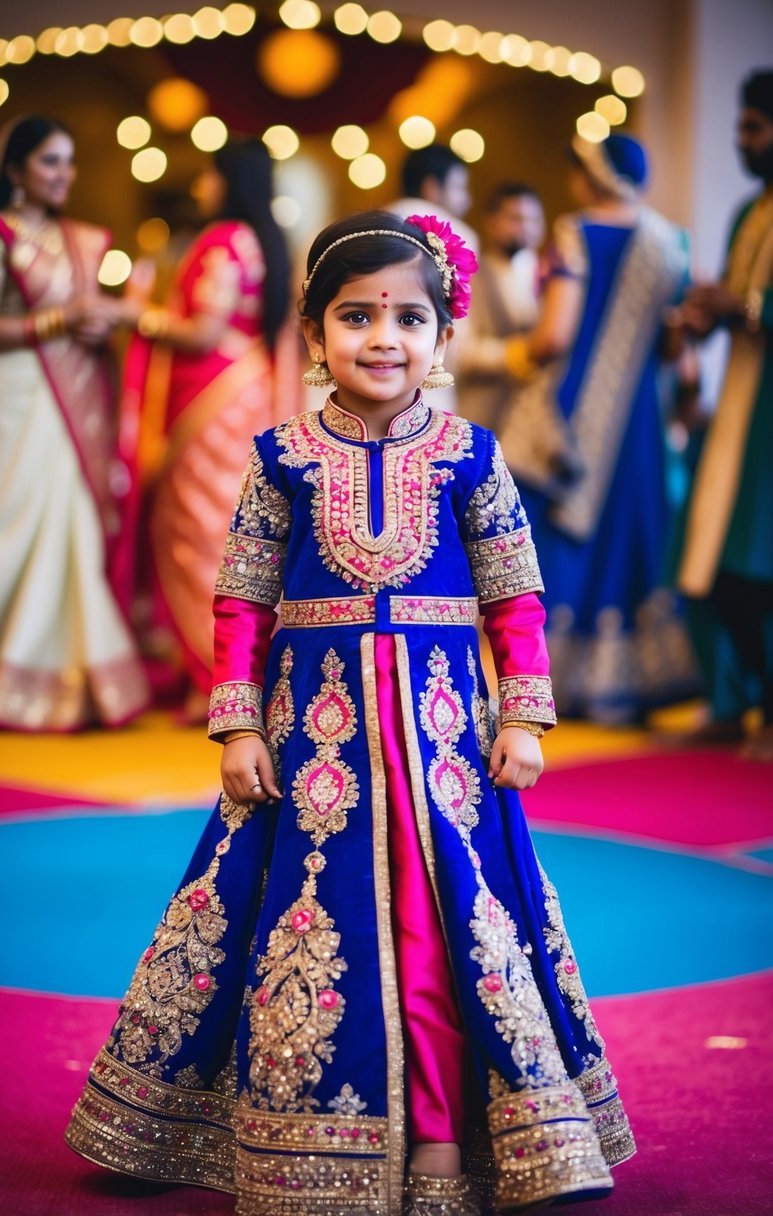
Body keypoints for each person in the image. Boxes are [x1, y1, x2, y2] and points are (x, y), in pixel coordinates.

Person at [66, 210, 634, 1214]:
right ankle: (256, 1133)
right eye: (357, 315)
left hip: (446, 759)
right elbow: (240, 596)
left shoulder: (469, 454)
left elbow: (515, 597)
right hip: (312, 752)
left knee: (443, 931)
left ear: (442, 336)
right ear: (315, 332)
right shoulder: (281, 455)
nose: (384, 337)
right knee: (273, 919)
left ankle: (444, 1141)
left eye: (409, 318)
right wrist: (239, 722)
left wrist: (523, 717)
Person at [0, 116, 149, 730]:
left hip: (73, 394)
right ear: (14, 170)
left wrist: (93, 324)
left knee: (71, 524)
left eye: (69, 161)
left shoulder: (78, 240)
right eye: (49, 162)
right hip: (13, 394)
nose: (64, 174)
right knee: (4, 525)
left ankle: (71, 681)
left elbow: (84, 316)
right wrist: (60, 322)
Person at [490, 133, 699, 723]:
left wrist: (508, 357)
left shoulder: (574, 233)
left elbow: (555, 334)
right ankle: (629, 688)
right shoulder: (670, 243)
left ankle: (560, 688)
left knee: (562, 536)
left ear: (595, 177)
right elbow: (677, 350)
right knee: (630, 534)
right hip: (640, 421)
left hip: (575, 413)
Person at [118, 136, 297, 721]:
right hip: (250, 391)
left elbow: (201, 330)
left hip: (211, 400)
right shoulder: (270, 241)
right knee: (233, 534)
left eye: (208, 175)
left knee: (199, 537)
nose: (201, 186)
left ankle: (216, 679)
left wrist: (134, 314)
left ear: (229, 180)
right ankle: (234, 675)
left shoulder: (224, 241)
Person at [676, 69, 773, 760]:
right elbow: (738, 307)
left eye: (752, 127)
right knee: (710, 558)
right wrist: (702, 314)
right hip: (738, 406)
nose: (742, 141)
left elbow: (753, 308)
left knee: (756, 560)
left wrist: (738, 310)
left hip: (764, 416)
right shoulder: (749, 212)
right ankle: (735, 700)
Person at [388, 144, 479, 412]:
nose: (467, 200)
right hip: (429, 380)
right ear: (431, 186)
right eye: (460, 188)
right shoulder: (455, 234)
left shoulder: (373, 223)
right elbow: (458, 333)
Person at [457, 182, 545, 433]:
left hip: (536, 420)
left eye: (534, 219)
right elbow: (463, 351)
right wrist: (523, 352)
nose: (526, 228)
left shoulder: (553, 277)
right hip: (485, 412)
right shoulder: (470, 277)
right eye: (516, 218)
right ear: (492, 222)